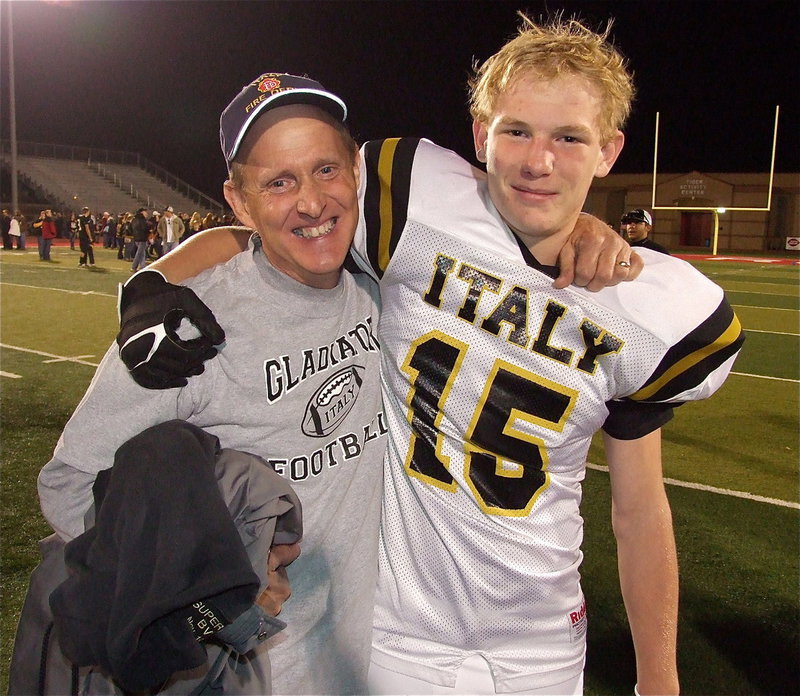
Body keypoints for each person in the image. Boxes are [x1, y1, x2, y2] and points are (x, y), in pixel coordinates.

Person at [123, 17, 746, 694]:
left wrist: (660, 675)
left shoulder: (648, 307)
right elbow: (276, 229)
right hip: (399, 626)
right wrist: (153, 281)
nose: (539, 160)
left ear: (608, 151)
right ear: (481, 136)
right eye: (517, 131)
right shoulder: (413, 205)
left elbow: (638, 506)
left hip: (540, 639)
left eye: (569, 137)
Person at [36, 76, 387, 695]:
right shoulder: (186, 330)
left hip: (367, 653)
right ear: (239, 200)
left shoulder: (378, 277)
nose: (310, 201)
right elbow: (68, 485)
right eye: (278, 182)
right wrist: (198, 590)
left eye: (325, 169)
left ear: (356, 170)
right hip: (244, 671)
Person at [130, 207, 150, 271]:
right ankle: (134, 267)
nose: (146, 213)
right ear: (142, 212)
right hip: (142, 238)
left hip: (136, 238)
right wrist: (149, 230)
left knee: (142, 253)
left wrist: (134, 234)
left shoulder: (134, 219)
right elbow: (145, 229)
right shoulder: (143, 220)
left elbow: (129, 229)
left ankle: (142, 266)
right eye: (145, 212)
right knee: (139, 253)